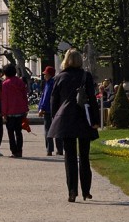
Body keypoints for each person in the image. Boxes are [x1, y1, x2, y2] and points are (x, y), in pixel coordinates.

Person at [47, 48, 101, 202]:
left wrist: (55, 119)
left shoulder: (59, 78)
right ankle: (86, 190)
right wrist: (95, 120)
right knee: (84, 156)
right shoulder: (86, 76)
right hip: (83, 118)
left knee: (69, 157)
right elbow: (92, 99)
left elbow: (54, 102)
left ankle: (72, 191)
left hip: (66, 119)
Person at [1, 63, 28, 157]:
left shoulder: (5, 83)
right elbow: (25, 96)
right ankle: (19, 150)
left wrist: (3, 113)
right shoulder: (20, 82)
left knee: (11, 133)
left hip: (10, 112)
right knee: (19, 132)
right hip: (20, 110)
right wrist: (26, 109)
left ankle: (14, 151)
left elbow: (4, 99)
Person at [38, 66, 64, 156]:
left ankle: (49, 149)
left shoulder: (49, 83)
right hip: (57, 109)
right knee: (58, 129)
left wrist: (41, 108)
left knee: (48, 130)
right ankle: (60, 149)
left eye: (45, 74)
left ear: (49, 74)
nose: (44, 76)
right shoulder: (56, 82)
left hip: (48, 110)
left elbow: (46, 97)